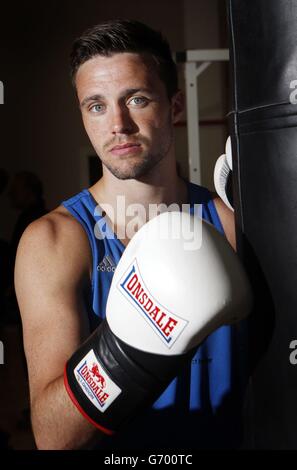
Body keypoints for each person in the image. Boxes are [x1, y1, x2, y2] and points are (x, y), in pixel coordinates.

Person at [14, 20, 245, 450]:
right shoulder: (53, 242)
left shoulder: (232, 224)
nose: (117, 124)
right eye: (96, 106)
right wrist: (137, 335)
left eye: (136, 99)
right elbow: (52, 436)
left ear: (175, 106)